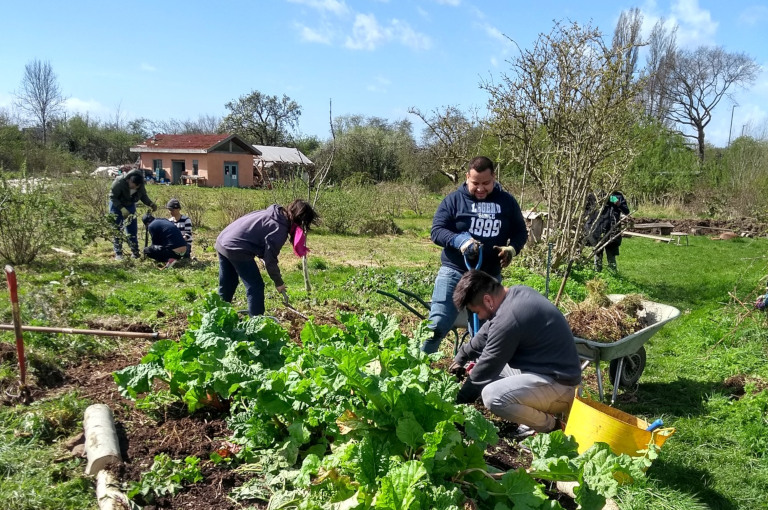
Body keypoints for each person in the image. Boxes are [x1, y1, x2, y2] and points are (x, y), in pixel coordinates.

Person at [449, 270, 582, 439]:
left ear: (488, 300)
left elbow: (486, 368)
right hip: (545, 372)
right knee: (482, 366)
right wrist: (460, 358)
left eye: (476, 312)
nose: (479, 317)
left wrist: (455, 406)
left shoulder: (509, 318)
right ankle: (534, 411)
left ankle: (552, 426)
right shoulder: (516, 294)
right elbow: (485, 335)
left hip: (562, 387)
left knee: (492, 396)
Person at [422, 156, 528, 354]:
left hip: (488, 277)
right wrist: (460, 241)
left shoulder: (507, 202)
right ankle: (418, 365)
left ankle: (476, 369)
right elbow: (437, 231)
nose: (480, 188)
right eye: (475, 183)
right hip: (454, 272)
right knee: (436, 326)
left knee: (486, 335)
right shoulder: (454, 200)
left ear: (494, 177)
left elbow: (520, 232)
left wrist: (512, 249)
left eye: (486, 183)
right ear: (467, 177)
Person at [215, 199, 317, 316]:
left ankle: (218, 317)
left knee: (228, 283)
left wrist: (262, 254)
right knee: (255, 286)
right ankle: (257, 323)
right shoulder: (279, 229)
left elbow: (259, 240)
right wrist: (279, 282)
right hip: (237, 248)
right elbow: (270, 260)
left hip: (223, 241)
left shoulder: (272, 213)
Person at [109, 168, 157, 260]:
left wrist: (150, 203)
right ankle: (118, 253)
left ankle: (135, 252)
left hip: (130, 204)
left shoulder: (140, 184)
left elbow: (143, 195)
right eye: (133, 186)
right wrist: (121, 208)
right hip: (116, 205)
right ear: (129, 180)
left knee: (132, 229)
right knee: (117, 228)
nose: (134, 188)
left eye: (136, 187)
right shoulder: (119, 182)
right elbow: (112, 197)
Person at [584, 191, 630, 271]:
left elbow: (626, 211)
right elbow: (586, 212)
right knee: (597, 254)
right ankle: (597, 274)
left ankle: (613, 274)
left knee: (611, 254)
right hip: (597, 229)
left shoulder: (617, 195)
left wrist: (618, 203)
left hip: (612, 229)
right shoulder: (594, 195)